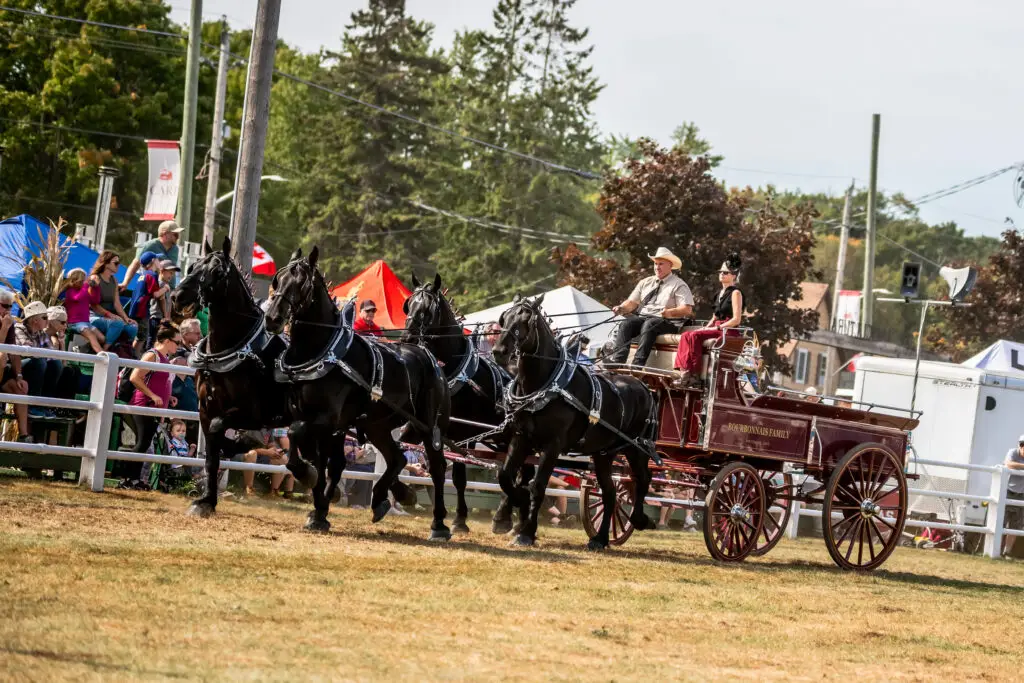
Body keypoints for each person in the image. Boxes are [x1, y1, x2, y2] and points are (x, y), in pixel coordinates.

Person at [606, 247, 694, 367]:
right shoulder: (645, 282)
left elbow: (687, 309)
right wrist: (621, 308)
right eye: (655, 264)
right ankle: (617, 361)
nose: (657, 267)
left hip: (669, 322)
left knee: (650, 324)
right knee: (626, 324)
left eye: (661, 264)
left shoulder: (679, 284)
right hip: (645, 319)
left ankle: (638, 364)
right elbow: (631, 302)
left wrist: (669, 312)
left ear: (670, 265)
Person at [120, 323, 179, 489]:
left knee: (144, 444)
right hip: (143, 404)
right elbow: (135, 377)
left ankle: (134, 479)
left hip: (152, 406)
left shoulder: (163, 358)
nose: (179, 346)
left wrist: (169, 397)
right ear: (167, 341)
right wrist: (153, 395)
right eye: (177, 342)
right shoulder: (152, 355)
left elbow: (156, 382)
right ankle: (128, 479)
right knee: (141, 444)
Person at [673, 253, 744, 385]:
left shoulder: (736, 293)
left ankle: (694, 375)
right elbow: (715, 316)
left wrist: (718, 327)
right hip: (717, 326)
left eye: (725, 272)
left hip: (728, 330)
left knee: (694, 336)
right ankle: (684, 372)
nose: (722, 274)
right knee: (686, 335)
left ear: (733, 276)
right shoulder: (719, 293)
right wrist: (707, 326)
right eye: (721, 272)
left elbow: (736, 319)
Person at [14, 301, 65, 419]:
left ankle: (44, 405)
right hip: (17, 368)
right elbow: (26, 349)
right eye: (45, 317)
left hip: (33, 366)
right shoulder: (19, 328)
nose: (48, 320)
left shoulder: (40, 333)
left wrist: (60, 343)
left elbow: (51, 355)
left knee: (55, 364)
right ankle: (33, 406)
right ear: (35, 320)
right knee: (40, 362)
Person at [89, 250, 138, 351]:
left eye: (119, 263)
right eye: (115, 263)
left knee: (132, 327)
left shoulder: (114, 280)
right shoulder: (95, 278)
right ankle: (105, 351)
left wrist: (126, 318)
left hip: (109, 318)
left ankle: (122, 350)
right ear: (106, 263)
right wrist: (110, 315)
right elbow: (93, 305)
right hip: (92, 316)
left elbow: (117, 303)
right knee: (118, 323)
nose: (118, 265)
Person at [0, 290, 32, 442]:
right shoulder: (7, 324)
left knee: (20, 388)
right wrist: (4, 328)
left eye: (10, 307)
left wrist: (19, 376)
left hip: (2, 370)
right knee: (1, 356)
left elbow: (14, 352)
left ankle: (24, 435)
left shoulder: (8, 322)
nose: (7, 310)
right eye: (4, 306)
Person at [125, 251, 169, 354]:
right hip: (142, 310)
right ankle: (133, 357)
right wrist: (165, 288)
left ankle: (132, 355)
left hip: (134, 309)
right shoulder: (152, 274)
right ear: (153, 261)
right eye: (158, 259)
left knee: (138, 336)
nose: (160, 262)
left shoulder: (143, 275)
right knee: (142, 336)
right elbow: (156, 294)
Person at [121, 219, 182, 287]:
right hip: (153, 289)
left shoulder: (175, 249)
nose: (178, 237)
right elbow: (135, 265)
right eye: (175, 234)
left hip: (169, 289)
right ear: (165, 234)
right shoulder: (149, 246)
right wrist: (125, 283)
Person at [240, 428, 295, 498]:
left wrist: (275, 450)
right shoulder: (249, 425)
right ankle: (248, 489)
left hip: (262, 455)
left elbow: (271, 444)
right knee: (252, 454)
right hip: (243, 454)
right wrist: (266, 452)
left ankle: (273, 492)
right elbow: (246, 448)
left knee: (282, 458)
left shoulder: (269, 428)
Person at [60, 268, 105, 353]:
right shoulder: (70, 291)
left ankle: (80, 348)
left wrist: (96, 288)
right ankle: (103, 355)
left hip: (86, 322)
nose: (83, 283)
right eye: (82, 281)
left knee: (102, 338)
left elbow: (95, 300)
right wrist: (87, 285)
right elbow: (78, 297)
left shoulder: (83, 291)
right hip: (74, 322)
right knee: (91, 336)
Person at [147, 260, 178, 344]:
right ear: (162, 271)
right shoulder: (161, 284)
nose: (172, 275)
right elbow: (162, 300)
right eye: (170, 273)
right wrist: (165, 317)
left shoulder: (166, 285)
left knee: (156, 340)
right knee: (153, 341)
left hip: (161, 318)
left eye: (173, 273)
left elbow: (169, 302)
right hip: (157, 317)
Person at [1003, 435, 1024, 558]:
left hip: (1022, 494)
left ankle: (1007, 552)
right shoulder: (1012, 452)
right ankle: (994, 550)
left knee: (1016, 525)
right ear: (1021, 445)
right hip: (1007, 491)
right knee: (1000, 521)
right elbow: (1008, 464)